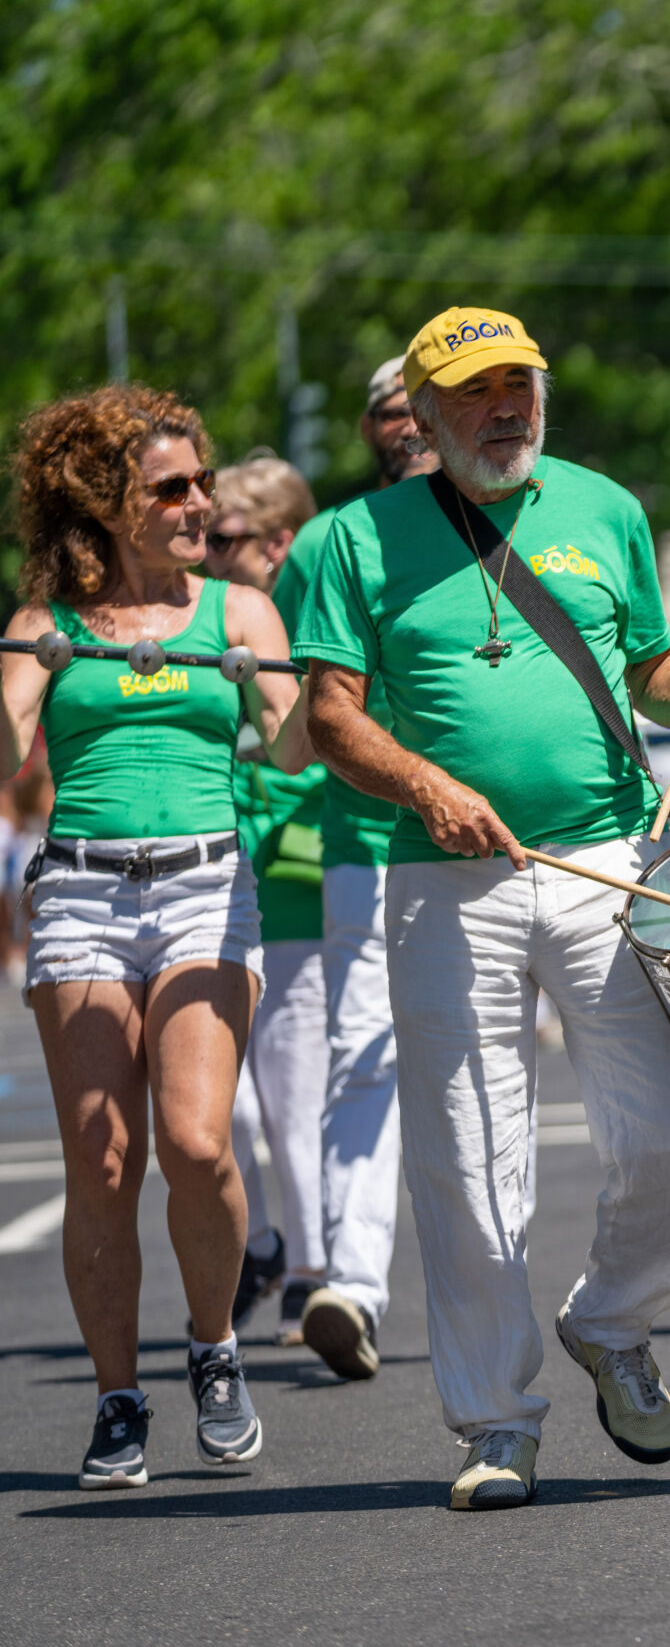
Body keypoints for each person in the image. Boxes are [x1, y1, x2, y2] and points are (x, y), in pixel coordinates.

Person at [297, 307, 670, 1510]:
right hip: (445, 882)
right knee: (467, 1161)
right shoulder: (355, 538)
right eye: (480, 393)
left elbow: (649, 667)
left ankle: (609, 1321)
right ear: (426, 415)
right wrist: (428, 787)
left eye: (522, 386)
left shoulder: (606, 508)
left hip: (605, 858)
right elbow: (331, 718)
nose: (509, 409)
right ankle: (496, 1423)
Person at [5, 385, 311, 1488]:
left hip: (202, 889)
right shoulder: (45, 626)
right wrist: (25, 678)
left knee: (194, 1143)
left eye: (200, 483)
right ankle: (117, 1397)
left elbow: (288, 749)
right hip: (81, 891)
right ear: (105, 506)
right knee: (103, 1157)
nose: (199, 504)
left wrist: (296, 695)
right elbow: (4, 754)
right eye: (170, 489)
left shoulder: (237, 613)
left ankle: (215, 1346)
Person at [271, 359, 428, 1388]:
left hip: (512, 846)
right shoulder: (330, 542)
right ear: (369, 428)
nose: (410, 421)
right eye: (391, 408)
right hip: (365, 849)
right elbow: (291, 710)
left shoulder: (531, 519)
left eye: (430, 402)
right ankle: (354, 1289)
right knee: (365, 1060)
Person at [204, 456, 332, 1343]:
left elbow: (326, 746)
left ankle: (311, 1268)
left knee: (291, 1090)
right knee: (231, 1102)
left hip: (307, 877)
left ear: (278, 540)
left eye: (223, 538)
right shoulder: (206, 617)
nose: (205, 553)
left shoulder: (310, 616)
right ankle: (268, 1241)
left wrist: (256, 762)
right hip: (225, 876)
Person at [360, 355, 439, 487]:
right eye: (396, 415)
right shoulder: (352, 509)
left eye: (429, 412)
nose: (415, 430)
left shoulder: (483, 505)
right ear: (368, 428)